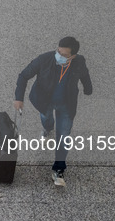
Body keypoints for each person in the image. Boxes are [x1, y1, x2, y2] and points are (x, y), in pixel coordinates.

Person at [13, 36, 92, 187]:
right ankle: (47, 129)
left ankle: (58, 169)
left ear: (73, 56)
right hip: (45, 102)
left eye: (64, 55)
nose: (59, 56)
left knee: (63, 135)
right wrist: (19, 98)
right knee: (46, 118)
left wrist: (88, 88)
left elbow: (84, 74)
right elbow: (23, 75)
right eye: (58, 52)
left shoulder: (79, 62)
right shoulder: (45, 59)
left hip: (66, 105)